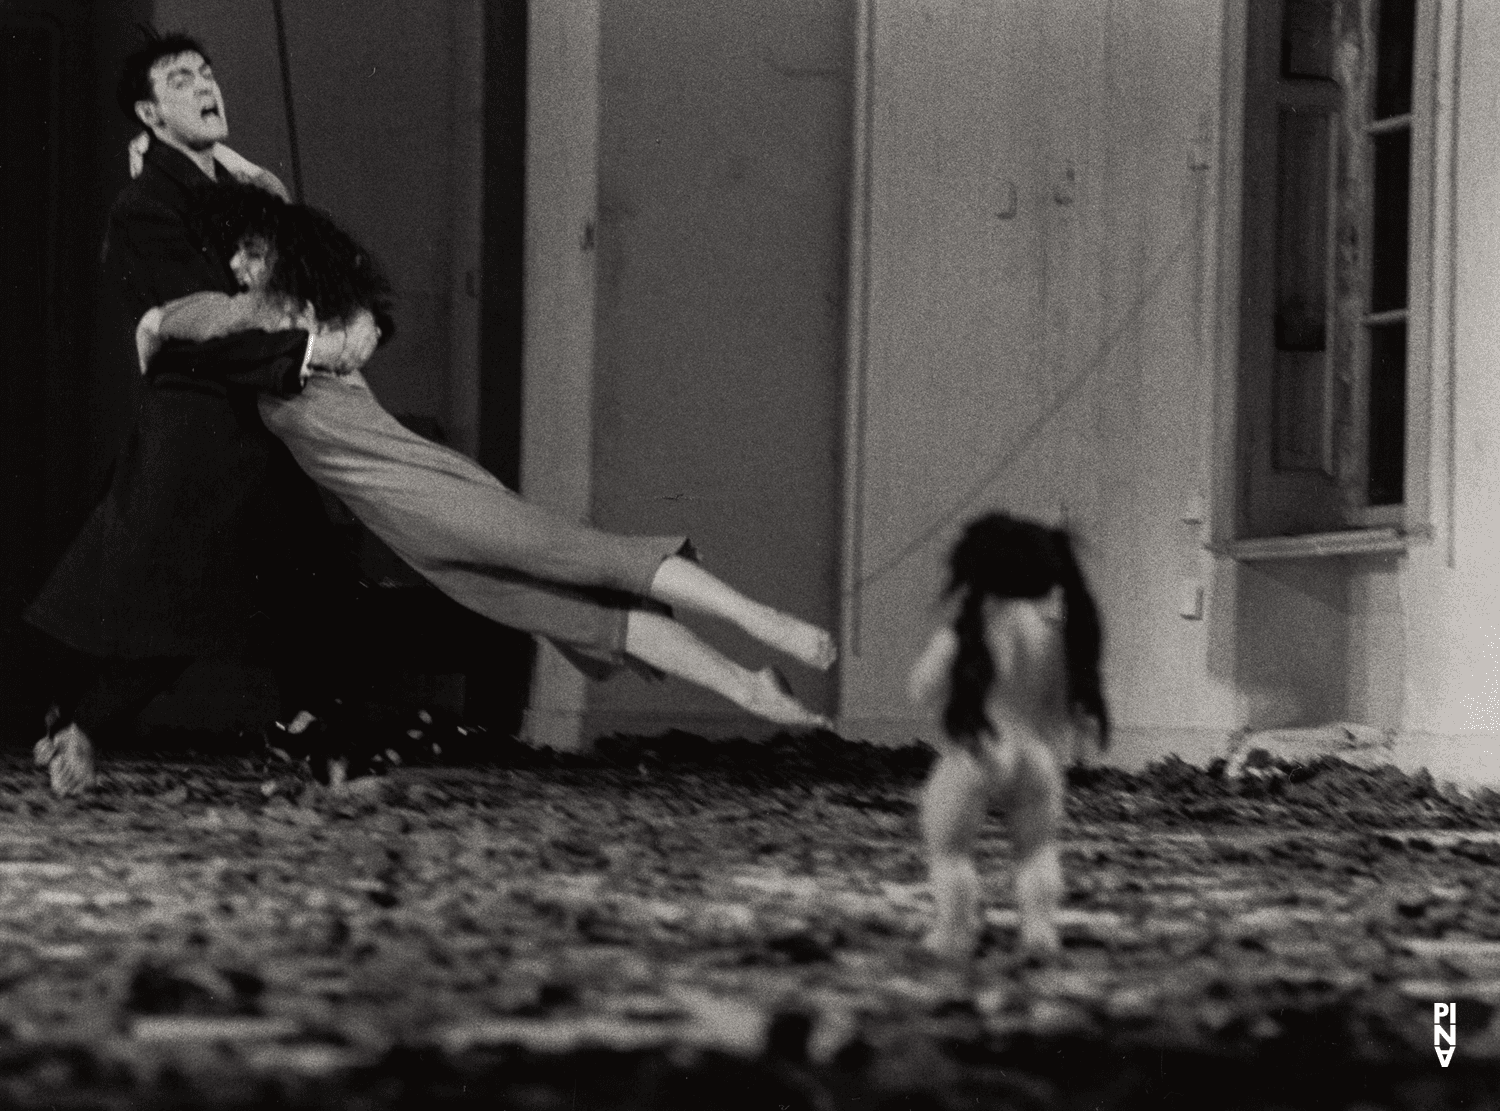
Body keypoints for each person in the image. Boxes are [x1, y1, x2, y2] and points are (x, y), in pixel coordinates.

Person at [135, 183, 836, 733]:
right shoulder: (268, 317)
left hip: (432, 496)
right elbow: (170, 320)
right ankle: (748, 687)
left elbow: (183, 321)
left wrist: (170, 335)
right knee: (576, 617)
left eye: (249, 252)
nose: (237, 266)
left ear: (281, 253)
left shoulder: (301, 318)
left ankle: (759, 620)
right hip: (405, 526)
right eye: (232, 255)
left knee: (589, 555)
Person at [25, 33, 373, 798]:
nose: (205, 85)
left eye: (208, 73)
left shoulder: (231, 187)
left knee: (310, 578)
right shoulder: (146, 205)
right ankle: (80, 724)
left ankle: (316, 735)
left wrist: (256, 183)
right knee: (175, 602)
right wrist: (306, 353)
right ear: (150, 113)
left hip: (259, 411)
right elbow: (211, 318)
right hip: (200, 427)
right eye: (182, 79)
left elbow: (286, 266)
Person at [907, 513, 1107, 960]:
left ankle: (953, 932)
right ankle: (1039, 930)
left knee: (950, 850)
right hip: (1037, 758)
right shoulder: (1058, 637)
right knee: (1036, 850)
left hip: (978, 753)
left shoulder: (969, 631)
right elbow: (1063, 704)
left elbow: (922, 687)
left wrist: (948, 701)